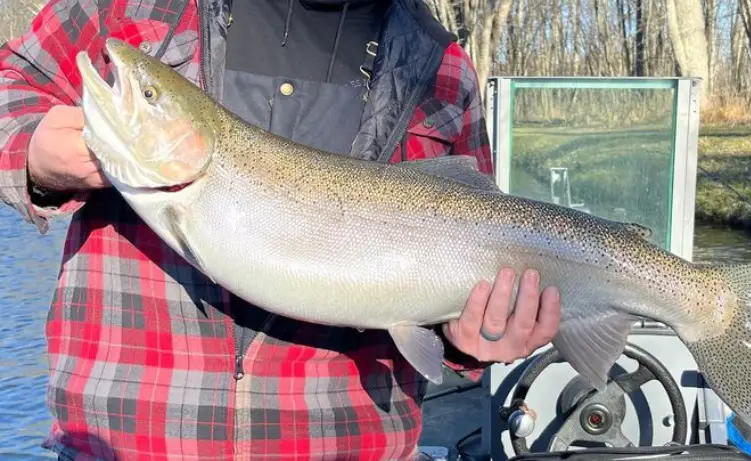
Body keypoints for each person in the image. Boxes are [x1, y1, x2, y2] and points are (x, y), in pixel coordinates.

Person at [0, 0, 562, 458]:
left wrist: (474, 340)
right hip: (125, 442)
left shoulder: (438, 68)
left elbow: (468, 280)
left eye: (148, 97)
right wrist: (33, 153)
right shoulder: (128, 7)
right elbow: (11, 92)